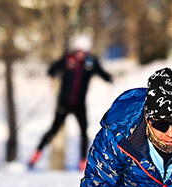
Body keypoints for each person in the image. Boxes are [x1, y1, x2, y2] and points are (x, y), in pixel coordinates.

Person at [28, 34, 113, 171]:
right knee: (53, 129)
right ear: (76, 50)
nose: (82, 55)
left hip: (79, 104)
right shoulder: (67, 59)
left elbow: (102, 73)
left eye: (84, 52)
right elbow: (52, 69)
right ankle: (36, 154)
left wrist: (108, 78)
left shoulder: (90, 63)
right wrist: (53, 73)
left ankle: (83, 161)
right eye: (80, 51)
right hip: (64, 103)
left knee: (84, 132)